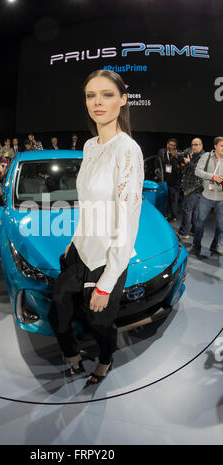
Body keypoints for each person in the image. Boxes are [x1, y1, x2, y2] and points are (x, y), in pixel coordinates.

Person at [48, 69, 144, 384]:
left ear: (123, 100)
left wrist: (106, 282)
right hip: (81, 250)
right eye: (91, 95)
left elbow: (128, 220)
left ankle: (104, 360)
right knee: (58, 314)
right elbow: (88, 203)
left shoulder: (127, 150)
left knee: (99, 322)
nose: (97, 102)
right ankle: (73, 356)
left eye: (107, 94)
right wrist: (74, 239)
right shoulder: (90, 146)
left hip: (108, 257)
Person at [190, 136, 223, 256]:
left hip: (221, 199)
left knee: (221, 226)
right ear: (215, 146)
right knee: (199, 223)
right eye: (222, 145)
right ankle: (196, 246)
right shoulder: (207, 156)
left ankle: (215, 246)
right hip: (206, 196)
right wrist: (212, 177)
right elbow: (197, 171)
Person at [178, 138, 205, 239]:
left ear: (201, 145)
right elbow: (187, 169)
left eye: (196, 145)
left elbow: (198, 171)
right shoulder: (193, 155)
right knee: (194, 211)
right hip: (193, 188)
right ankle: (194, 230)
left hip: (193, 188)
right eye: (193, 144)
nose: (194, 147)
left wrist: (189, 163)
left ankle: (184, 233)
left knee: (187, 210)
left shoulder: (203, 157)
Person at [157, 138, 183, 221]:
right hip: (164, 179)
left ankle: (173, 216)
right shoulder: (162, 152)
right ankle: (165, 215)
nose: (172, 147)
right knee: (165, 198)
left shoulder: (179, 153)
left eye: (174, 145)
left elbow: (182, 164)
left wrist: (176, 157)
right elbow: (157, 161)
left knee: (174, 199)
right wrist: (157, 168)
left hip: (175, 180)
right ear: (167, 145)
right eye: (171, 145)